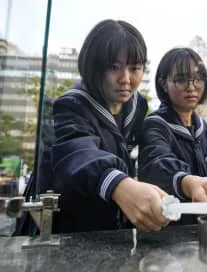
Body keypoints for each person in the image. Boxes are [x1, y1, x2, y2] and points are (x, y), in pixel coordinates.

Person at [49, 19, 170, 233]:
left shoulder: (138, 105)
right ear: (93, 67)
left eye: (135, 68)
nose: (126, 79)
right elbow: (79, 154)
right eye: (114, 67)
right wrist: (118, 184)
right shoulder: (72, 104)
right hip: (72, 227)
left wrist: (183, 179)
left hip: (116, 228)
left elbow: (150, 149)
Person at [138, 48, 207, 225]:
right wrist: (186, 181)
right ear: (164, 84)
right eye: (181, 80)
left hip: (202, 226)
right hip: (168, 228)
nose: (191, 87)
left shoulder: (203, 128)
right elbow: (156, 163)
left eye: (197, 79)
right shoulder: (155, 125)